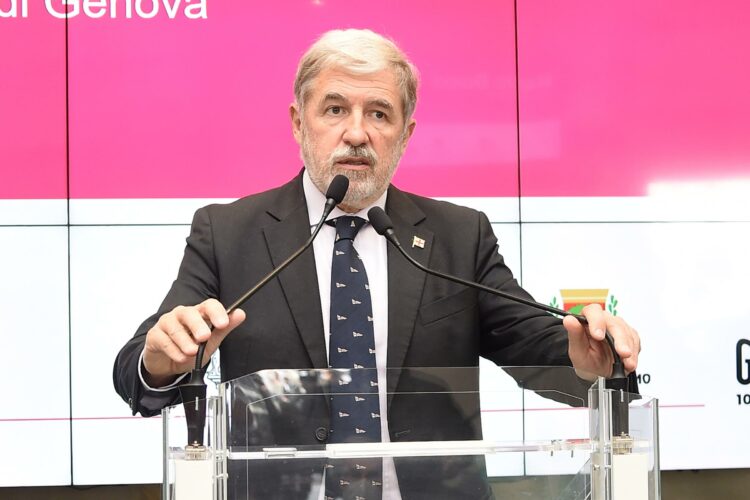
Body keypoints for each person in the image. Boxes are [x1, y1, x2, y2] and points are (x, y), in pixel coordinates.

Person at [113, 28, 640, 499]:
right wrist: (162, 361)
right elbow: (138, 371)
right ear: (298, 123)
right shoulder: (229, 233)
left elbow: (539, 347)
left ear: (405, 134)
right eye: (334, 109)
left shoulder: (459, 237)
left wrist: (589, 360)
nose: (357, 133)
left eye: (379, 114)